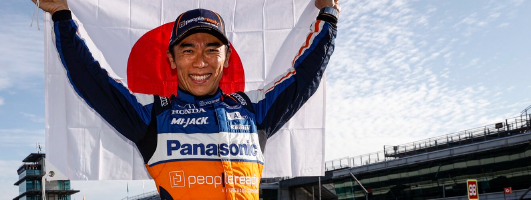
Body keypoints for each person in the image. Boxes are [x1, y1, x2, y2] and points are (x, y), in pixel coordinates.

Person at [32, 0, 339, 199]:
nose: (200, 61)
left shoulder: (253, 113)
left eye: (211, 49)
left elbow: (305, 77)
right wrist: (61, 14)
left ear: (227, 58)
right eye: (188, 50)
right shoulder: (152, 119)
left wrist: (329, 14)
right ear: (172, 60)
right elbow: (91, 79)